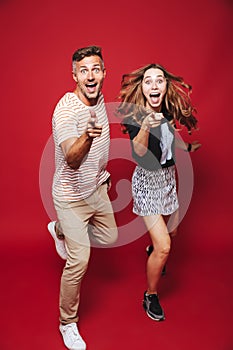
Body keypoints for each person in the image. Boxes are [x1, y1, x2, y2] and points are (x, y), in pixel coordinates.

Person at [117, 63, 201, 321]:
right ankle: (150, 295)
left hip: (168, 179)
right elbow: (139, 152)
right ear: (141, 88)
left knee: (172, 231)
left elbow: (169, 134)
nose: (154, 85)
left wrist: (185, 147)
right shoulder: (134, 117)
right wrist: (145, 125)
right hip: (147, 182)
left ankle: (151, 250)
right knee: (164, 246)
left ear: (165, 86)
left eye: (160, 80)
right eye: (148, 81)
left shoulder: (166, 110)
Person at [48, 45, 118, 350]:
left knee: (111, 236)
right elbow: (72, 160)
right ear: (74, 75)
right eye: (84, 70)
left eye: (96, 69)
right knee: (80, 259)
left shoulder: (100, 97)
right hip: (70, 197)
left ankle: (58, 230)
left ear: (104, 73)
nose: (91, 76)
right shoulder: (65, 110)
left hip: (97, 187)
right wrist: (88, 136)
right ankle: (68, 323)